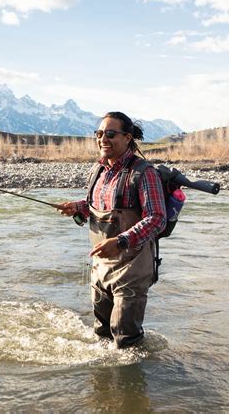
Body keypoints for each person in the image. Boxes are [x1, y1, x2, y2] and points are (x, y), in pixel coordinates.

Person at [57, 111, 166, 349]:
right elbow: (99, 207)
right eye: (99, 133)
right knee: (102, 335)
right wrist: (77, 207)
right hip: (101, 267)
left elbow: (157, 218)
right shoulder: (98, 172)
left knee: (127, 342)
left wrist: (120, 241)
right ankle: (104, 384)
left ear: (127, 138)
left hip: (132, 267)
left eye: (110, 133)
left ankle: (131, 382)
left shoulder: (144, 173)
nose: (102, 139)